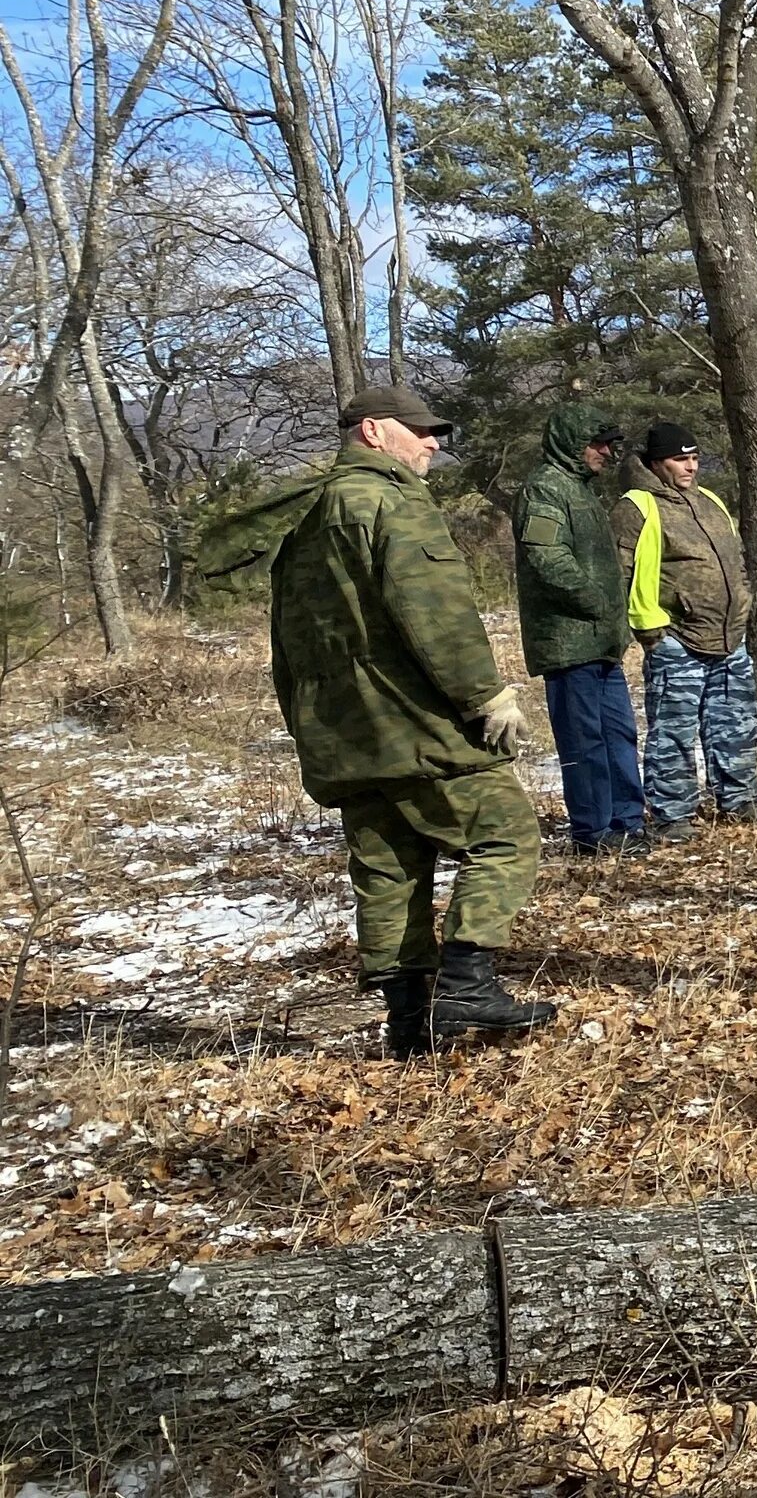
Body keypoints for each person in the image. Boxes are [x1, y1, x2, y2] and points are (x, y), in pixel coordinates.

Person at [240, 387, 558, 1054]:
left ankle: (408, 1023)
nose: (433, 443)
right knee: (505, 833)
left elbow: (285, 640)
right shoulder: (390, 500)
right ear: (375, 431)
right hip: (408, 722)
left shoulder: (304, 512)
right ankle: (467, 985)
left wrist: (307, 727)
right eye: (421, 432)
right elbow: (434, 613)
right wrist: (484, 697)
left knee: (389, 867)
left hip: (341, 732)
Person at [614, 422, 757, 841]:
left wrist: (745, 602)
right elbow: (618, 574)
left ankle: (740, 799)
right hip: (676, 640)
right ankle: (672, 815)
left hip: (729, 637)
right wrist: (652, 634)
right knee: (674, 733)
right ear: (654, 463)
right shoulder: (637, 507)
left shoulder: (711, 500)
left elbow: (735, 562)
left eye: (695, 458)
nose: (691, 466)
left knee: (735, 724)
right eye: (680, 459)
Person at [517, 404, 644, 855]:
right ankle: (594, 833)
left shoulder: (581, 491)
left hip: (601, 641)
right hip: (569, 641)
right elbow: (546, 558)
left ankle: (628, 823)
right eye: (598, 444)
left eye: (610, 445)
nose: (606, 453)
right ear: (572, 441)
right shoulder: (545, 489)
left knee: (618, 734)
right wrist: (597, 602)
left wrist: (612, 617)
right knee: (584, 740)